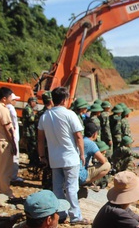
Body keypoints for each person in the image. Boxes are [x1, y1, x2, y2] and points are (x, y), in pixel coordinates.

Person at [37, 87, 88, 225]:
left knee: (57, 187)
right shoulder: (70, 114)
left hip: (54, 158)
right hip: (70, 157)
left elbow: (40, 139)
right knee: (72, 187)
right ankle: (76, 217)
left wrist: (42, 156)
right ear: (65, 100)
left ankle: (60, 214)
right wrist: (82, 154)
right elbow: (78, 136)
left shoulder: (45, 116)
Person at [0, 87, 17, 197]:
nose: (12, 99)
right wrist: (13, 143)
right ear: (4, 98)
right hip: (3, 142)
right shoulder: (2, 109)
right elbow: (8, 128)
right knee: (5, 169)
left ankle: (2, 189)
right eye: (10, 97)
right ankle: (6, 192)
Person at [79, 122, 111, 189]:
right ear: (94, 134)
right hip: (81, 176)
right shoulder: (91, 144)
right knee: (107, 165)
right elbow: (103, 161)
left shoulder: (81, 140)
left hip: (72, 173)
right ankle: (87, 182)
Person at [34, 91, 53, 189]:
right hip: (51, 143)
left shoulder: (40, 114)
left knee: (45, 165)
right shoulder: (52, 114)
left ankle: (45, 184)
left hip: (42, 143)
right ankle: (49, 185)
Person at [7, 93, 24, 182]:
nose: (15, 102)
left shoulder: (5, 107)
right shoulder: (11, 109)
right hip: (14, 136)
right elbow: (13, 122)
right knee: (15, 157)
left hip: (9, 136)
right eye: (14, 100)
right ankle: (13, 176)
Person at [23, 96, 39, 167]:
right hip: (29, 131)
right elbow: (31, 119)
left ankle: (33, 160)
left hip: (30, 130)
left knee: (31, 146)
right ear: (31, 102)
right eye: (35, 102)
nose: (35, 104)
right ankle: (32, 161)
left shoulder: (29, 109)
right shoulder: (28, 109)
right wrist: (37, 117)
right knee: (32, 146)